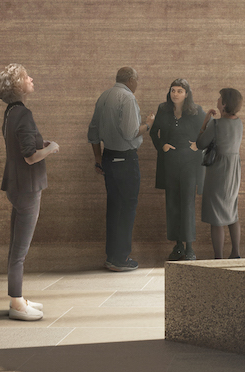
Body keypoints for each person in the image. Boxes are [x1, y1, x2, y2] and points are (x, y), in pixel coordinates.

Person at [0, 63, 58, 320]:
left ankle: (18, 297)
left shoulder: (11, 113)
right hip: (28, 187)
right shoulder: (24, 114)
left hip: (16, 185)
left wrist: (39, 144)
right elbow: (31, 157)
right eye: (26, 77)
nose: (31, 78)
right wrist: (52, 147)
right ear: (17, 86)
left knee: (16, 247)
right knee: (20, 250)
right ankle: (17, 304)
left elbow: (23, 144)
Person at [87, 67, 143, 272]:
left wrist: (98, 158)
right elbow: (131, 133)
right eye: (137, 80)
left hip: (109, 158)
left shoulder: (104, 96)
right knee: (127, 209)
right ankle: (121, 259)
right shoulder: (127, 98)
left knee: (114, 208)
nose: (137, 84)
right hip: (126, 160)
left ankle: (112, 256)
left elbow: (92, 132)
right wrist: (149, 125)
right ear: (130, 80)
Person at [149, 79, 207, 262]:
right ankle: (178, 246)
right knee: (173, 204)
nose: (175, 94)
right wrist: (161, 146)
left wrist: (198, 146)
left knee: (187, 204)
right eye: (173, 90)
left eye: (180, 91)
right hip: (170, 163)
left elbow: (208, 131)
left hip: (190, 164)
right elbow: (153, 132)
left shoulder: (197, 111)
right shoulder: (163, 109)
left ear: (187, 93)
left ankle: (190, 248)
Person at [197, 87, 245, 259]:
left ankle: (218, 257)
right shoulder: (239, 122)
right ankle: (236, 253)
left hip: (218, 170)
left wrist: (205, 122)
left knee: (216, 214)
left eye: (219, 99)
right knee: (232, 210)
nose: (217, 101)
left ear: (224, 104)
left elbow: (201, 143)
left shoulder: (216, 124)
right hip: (234, 169)